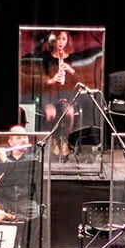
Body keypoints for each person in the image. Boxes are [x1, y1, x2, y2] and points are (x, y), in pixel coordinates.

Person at [41, 30, 77, 158]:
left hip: (66, 94)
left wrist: (71, 70)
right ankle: (54, 139)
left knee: (69, 113)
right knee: (51, 114)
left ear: (67, 41)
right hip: (49, 95)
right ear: (53, 41)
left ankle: (64, 139)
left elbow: (80, 80)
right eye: (58, 39)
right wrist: (52, 80)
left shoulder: (71, 58)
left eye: (63, 39)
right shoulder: (46, 58)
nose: (60, 42)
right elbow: (39, 78)